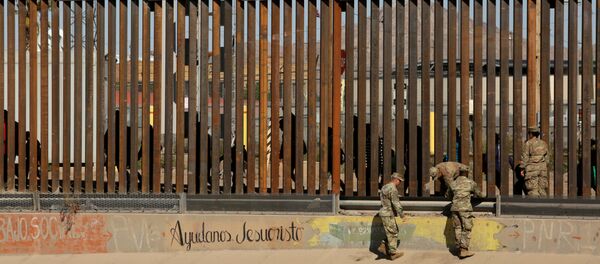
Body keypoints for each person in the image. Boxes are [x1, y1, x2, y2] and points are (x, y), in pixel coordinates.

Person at [446, 169, 483, 259]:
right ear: (467, 174)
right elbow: (479, 195)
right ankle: (464, 250)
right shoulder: (471, 183)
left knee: (457, 228)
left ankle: (459, 247)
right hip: (465, 209)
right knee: (466, 228)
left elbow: (448, 196)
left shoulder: (453, 183)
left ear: (458, 174)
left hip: (454, 208)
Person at [376, 173, 405, 260]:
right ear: (396, 180)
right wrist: (402, 215)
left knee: (392, 230)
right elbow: (396, 203)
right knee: (393, 232)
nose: (399, 183)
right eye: (399, 181)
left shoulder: (384, 187)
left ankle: (383, 245)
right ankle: (392, 253)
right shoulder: (393, 189)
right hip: (388, 213)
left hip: (383, 212)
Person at [519, 126, 549, 197]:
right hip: (542, 169)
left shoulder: (528, 143)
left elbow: (525, 157)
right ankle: (544, 206)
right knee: (542, 190)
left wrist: (522, 168)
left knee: (532, 190)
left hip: (532, 169)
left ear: (531, 134)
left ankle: (534, 207)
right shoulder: (544, 143)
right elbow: (547, 158)